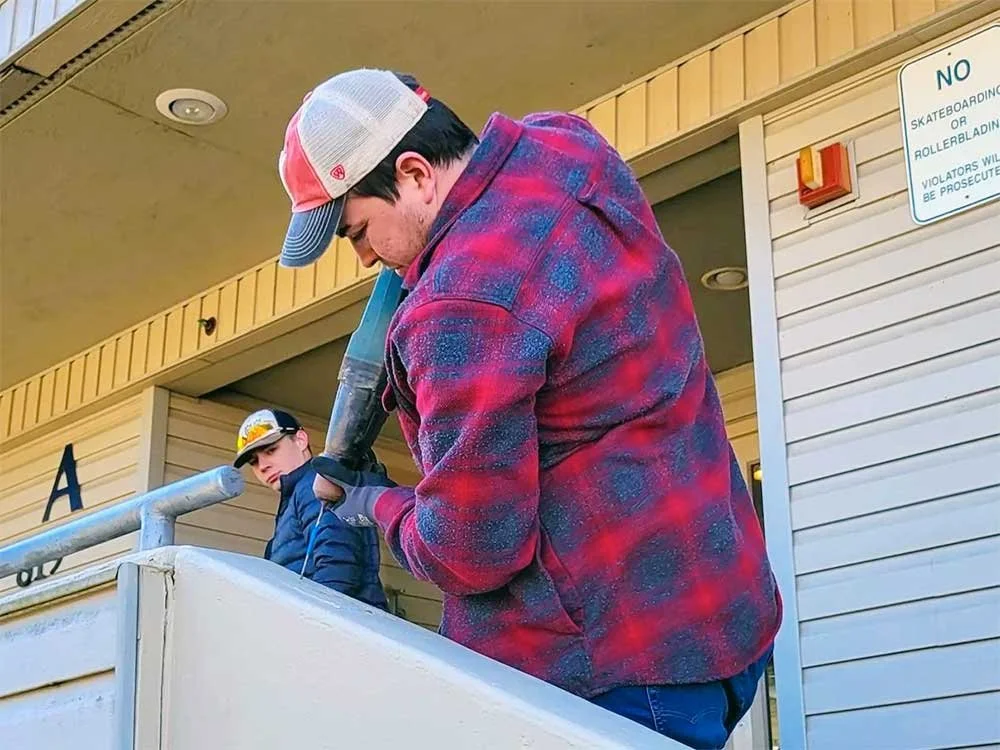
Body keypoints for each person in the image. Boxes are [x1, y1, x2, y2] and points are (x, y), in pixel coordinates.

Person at [275, 68, 781, 749]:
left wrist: (376, 505)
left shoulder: (456, 310)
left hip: (618, 674)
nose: (365, 258)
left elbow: (472, 551)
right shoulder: (566, 147)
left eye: (356, 231)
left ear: (416, 173)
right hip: (724, 610)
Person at [233, 407, 388, 611]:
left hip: (336, 623)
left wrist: (313, 620)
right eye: (254, 461)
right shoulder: (297, 495)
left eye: (271, 450)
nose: (262, 466)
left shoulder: (315, 486)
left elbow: (338, 568)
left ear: (300, 440)